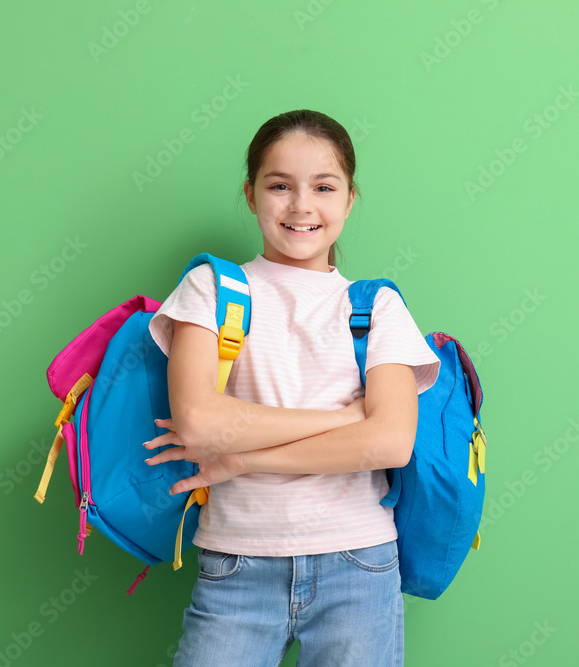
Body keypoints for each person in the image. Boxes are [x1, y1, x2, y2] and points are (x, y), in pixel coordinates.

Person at [144, 109, 441, 667]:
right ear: (251, 194)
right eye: (279, 186)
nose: (301, 205)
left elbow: (391, 443)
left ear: (349, 200)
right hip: (237, 563)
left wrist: (241, 461)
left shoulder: (378, 307)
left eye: (323, 187)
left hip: (359, 564)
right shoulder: (210, 288)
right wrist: (347, 418)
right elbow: (201, 423)